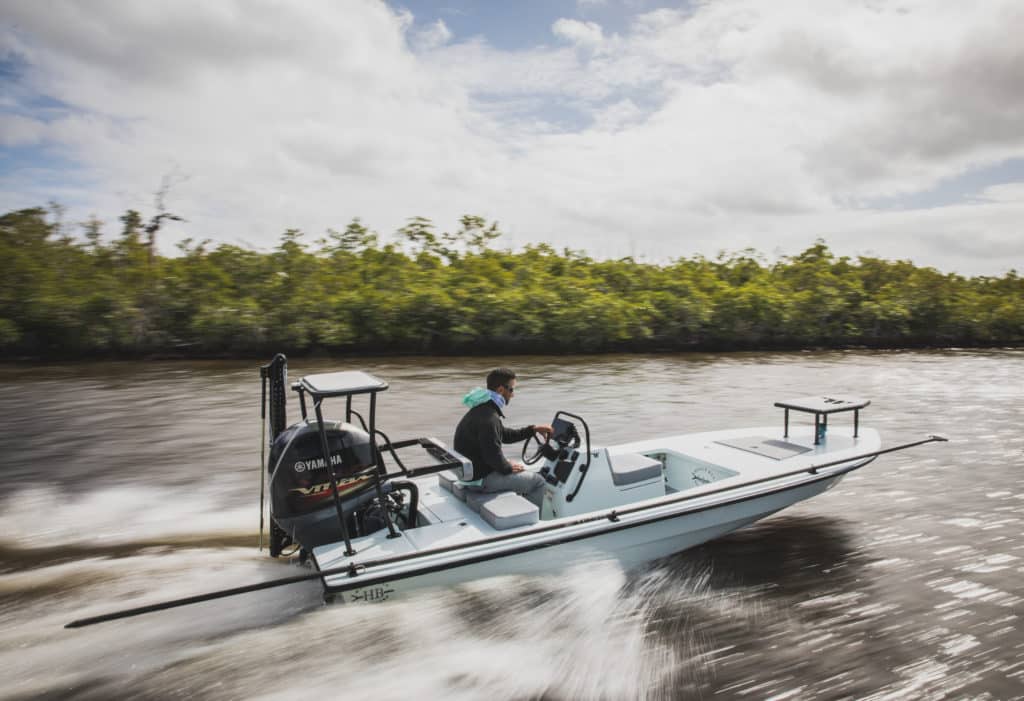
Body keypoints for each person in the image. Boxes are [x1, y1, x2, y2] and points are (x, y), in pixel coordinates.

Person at [453, 368, 553, 508]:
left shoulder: (481, 409)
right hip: (481, 480)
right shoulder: (489, 418)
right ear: (501, 390)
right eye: (511, 390)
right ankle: (534, 523)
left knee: (517, 468)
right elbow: (492, 456)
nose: (513, 395)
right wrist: (507, 467)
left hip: (472, 475)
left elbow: (503, 435)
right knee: (538, 482)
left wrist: (533, 430)